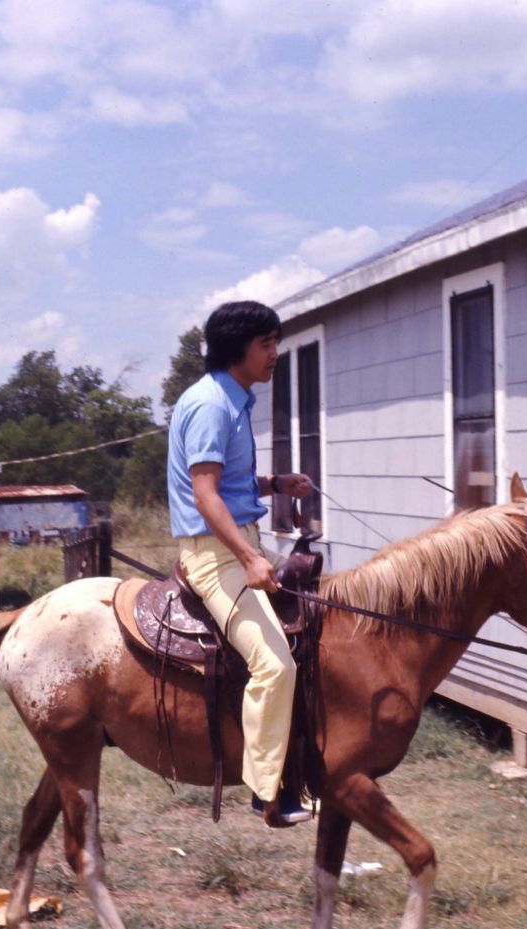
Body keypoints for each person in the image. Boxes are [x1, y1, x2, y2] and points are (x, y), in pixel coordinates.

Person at [168, 300, 313, 828]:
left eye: (275, 342)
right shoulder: (211, 405)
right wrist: (250, 557)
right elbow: (205, 494)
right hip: (215, 554)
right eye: (267, 344)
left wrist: (276, 484)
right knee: (275, 666)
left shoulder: (235, 399)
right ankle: (266, 791)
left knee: (322, 609)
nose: (275, 353)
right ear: (239, 349)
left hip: (238, 540)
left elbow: (226, 483)